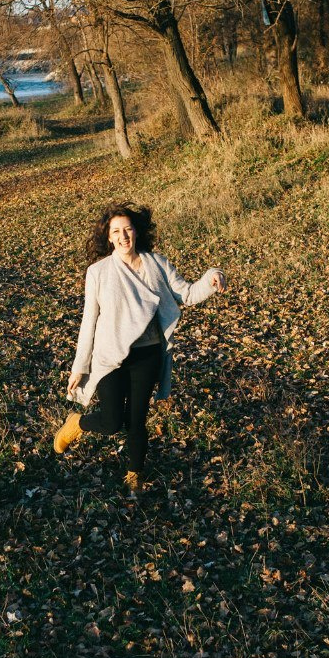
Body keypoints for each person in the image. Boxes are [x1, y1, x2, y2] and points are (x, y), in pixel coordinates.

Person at [54, 203, 226, 490]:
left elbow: (187, 293)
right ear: (108, 237)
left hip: (147, 354)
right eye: (116, 232)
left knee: (137, 419)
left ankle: (135, 474)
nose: (123, 237)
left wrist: (212, 276)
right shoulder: (99, 272)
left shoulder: (156, 264)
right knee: (111, 422)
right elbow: (89, 321)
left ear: (137, 232)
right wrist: (79, 367)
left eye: (128, 230)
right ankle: (77, 423)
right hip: (110, 356)